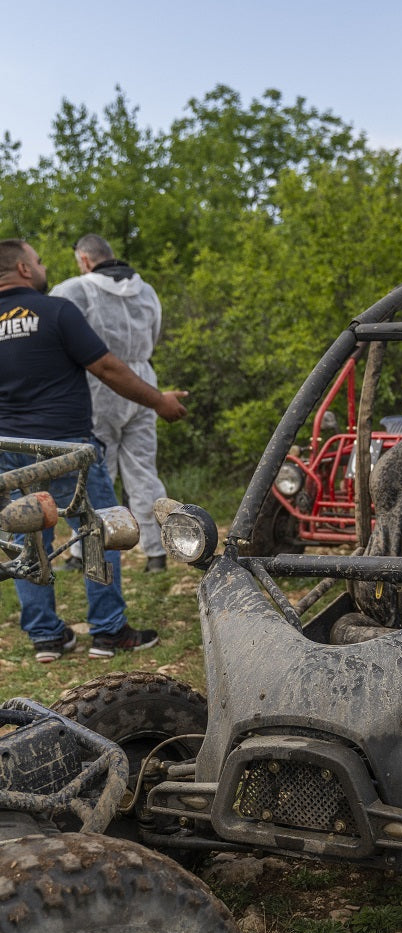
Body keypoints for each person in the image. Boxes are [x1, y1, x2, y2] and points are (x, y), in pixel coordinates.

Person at [0, 239, 188, 662]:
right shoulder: (56, 311)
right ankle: (108, 631)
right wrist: (159, 401)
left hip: (10, 449)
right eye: (38, 259)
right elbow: (105, 366)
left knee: (27, 535)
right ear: (25, 269)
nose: (43, 265)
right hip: (68, 447)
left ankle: (46, 638)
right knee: (99, 529)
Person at [50, 234, 168, 573]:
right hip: (143, 382)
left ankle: (84, 551)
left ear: (85, 260)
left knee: (95, 472)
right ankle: (156, 553)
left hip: (97, 383)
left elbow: (56, 331)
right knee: (144, 470)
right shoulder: (147, 290)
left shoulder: (75, 288)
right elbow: (155, 334)